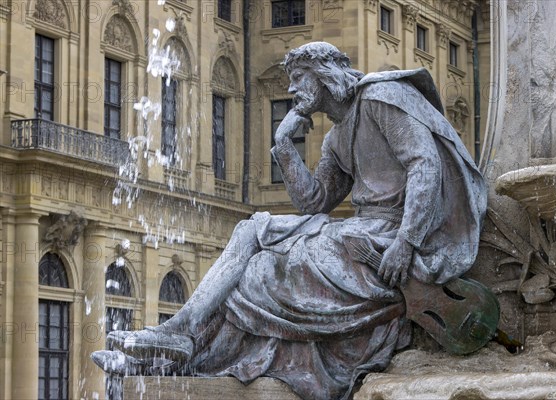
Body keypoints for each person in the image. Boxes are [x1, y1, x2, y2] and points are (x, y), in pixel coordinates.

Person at [93, 42, 487, 400]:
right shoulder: (337, 136)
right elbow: (314, 201)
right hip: (359, 236)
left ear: (323, 72)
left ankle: (180, 340)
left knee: (258, 271)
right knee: (250, 249)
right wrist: (283, 144)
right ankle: (177, 347)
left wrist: (407, 241)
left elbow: (425, 164)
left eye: (299, 79)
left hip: (390, 241)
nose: (293, 89)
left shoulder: (381, 97)